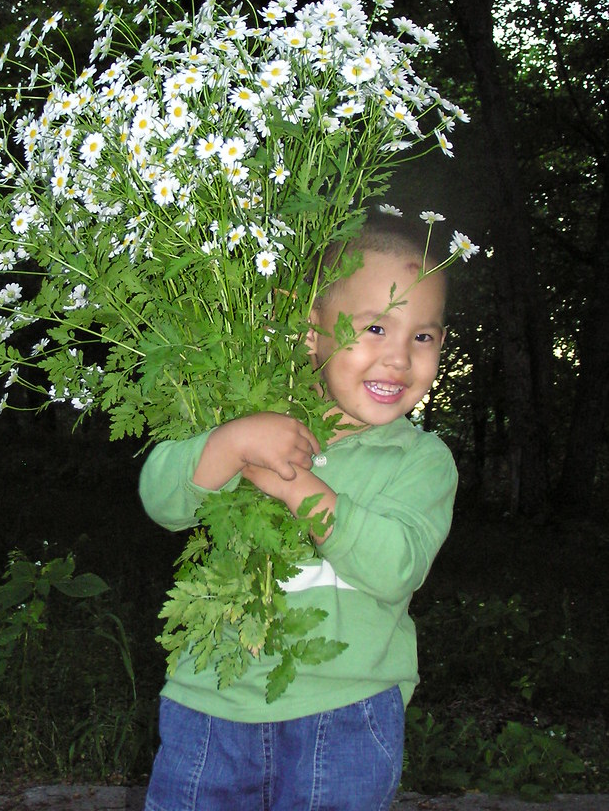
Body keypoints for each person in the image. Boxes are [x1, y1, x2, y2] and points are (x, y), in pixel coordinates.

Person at [139, 212, 458, 811]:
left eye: (423, 336)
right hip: (210, 702)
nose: (398, 358)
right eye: (374, 328)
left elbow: (396, 567)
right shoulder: (249, 412)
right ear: (313, 331)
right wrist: (231, 443)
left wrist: (294, 487)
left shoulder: (423, 460)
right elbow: (162, 500)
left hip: (348, 715)